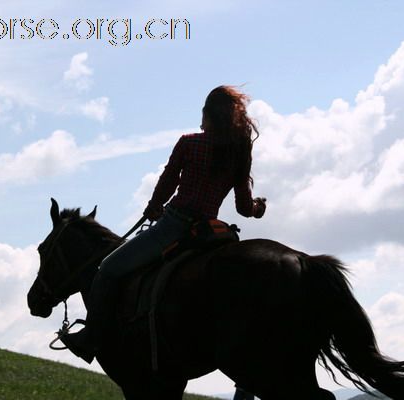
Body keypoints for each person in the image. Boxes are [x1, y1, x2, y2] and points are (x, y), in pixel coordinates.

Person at [61, 85, 267, 363]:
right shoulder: (238, 154)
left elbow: (168, 182)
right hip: (210, 233)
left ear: (208, 116)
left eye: (202, 114)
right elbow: (244, 208)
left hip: (175, 225)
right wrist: (258, 209)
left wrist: (153, 207)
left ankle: (91, 339)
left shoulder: (189, 143)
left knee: (108, 269)